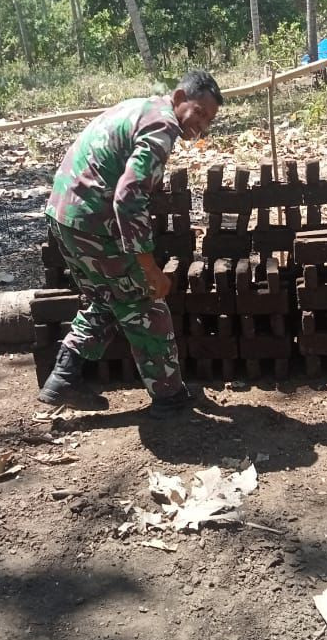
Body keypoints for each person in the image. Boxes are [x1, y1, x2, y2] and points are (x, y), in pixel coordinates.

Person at [39, 69, 223, 418]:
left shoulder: (142, 108)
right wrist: (149, 268)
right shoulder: (163, 125)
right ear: (180, 97)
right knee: (146, 304)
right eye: (199, 113)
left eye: (208, 120)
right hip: (94, 222)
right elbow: (128, 197)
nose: (201, 125)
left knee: (108, 297)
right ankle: (170, 399)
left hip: (64, 215)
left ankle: (64, 377)